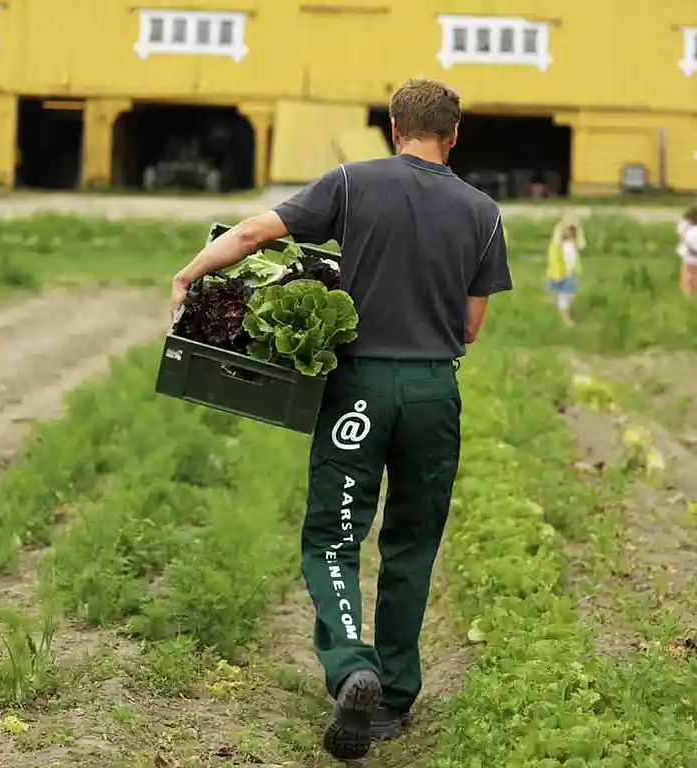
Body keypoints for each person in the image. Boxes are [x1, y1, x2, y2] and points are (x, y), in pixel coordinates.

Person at [170, 77, 512, 761]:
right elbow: (472, 325)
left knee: (334, 534)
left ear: (393, 127)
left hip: (357, 389)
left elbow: (253, 232)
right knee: (412, 543)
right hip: (433, 393)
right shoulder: (482, 211)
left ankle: (351, 663)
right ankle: (391, 696)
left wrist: (189, 275)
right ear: (454, 135)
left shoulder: (353, 184)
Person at [546, 214, 584, 327]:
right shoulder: (559, 244)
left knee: (568, 295)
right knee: (565, 296)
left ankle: (561, 314)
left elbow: (579, 247)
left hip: (566, 273)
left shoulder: (569, 244)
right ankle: (565, 320)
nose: (570, 232)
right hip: (562, 274)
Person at [677, 206, 697, 296]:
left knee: (688, 275)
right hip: (690, 252)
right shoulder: (685, 225)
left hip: (689, 254)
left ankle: (688, 293)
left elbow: (682, 237)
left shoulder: (688, 228)